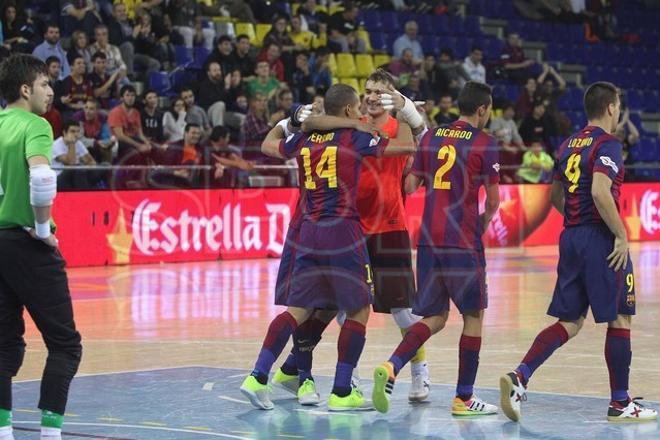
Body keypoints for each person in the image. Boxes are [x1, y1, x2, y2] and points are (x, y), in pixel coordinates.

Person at [239, 83, 415, 411]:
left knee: (298, 309)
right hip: (342, 231)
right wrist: (405, 112)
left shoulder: (304, 138)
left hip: (306, 232)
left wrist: (288, 122)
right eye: (357, 109)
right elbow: (407, 145)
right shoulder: (357, 137)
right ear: (349, 110)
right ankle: (342, 392)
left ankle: (257, 376)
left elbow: (267, 145)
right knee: (360, 308)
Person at [499, 82, 658, 423]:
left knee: (570, 321)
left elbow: (556, 195)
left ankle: (520, 376)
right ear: (612, 108)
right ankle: (620, 403)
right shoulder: (609, 144)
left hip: (571, 236)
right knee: (620, 317)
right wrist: (620, 233)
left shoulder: (569, 144)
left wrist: (576, 219)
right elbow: (601, 192)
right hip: (599, 238)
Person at [291, 68, 432, 402]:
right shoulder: (347, 126)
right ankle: (348, 379)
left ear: (393, 98)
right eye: (368, 90)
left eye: (380, 92)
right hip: (351, 230)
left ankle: (419, 375)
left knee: (404, 312)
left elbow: (423, 144)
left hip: (391, 228)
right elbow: (309, 122)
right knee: (346, 308)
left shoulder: (400, 131)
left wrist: (411, 114)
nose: (371, 97)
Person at [372, 81, 501, 417]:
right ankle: (464, 397)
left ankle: (393, 364)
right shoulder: (485, 143)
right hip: (463, 241)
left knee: (435, 317)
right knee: (473, 317)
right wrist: (482, 225)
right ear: (483, 109)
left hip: (429, 240)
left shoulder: (431, 137)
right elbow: (494, 202)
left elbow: (410, 185)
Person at [0, 53, 82, 440]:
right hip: (28, 245)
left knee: (3, 347)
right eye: (46, 84)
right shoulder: (35, 125)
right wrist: (41, 227)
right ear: (25, 88)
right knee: (66, 345)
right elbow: (42, 177)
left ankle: (3, 432)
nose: (52, 91)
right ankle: (50, 435)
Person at [51, 120, 99, 190]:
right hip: (59, 178)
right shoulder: (55, 145)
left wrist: (86, 166)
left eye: (78, 131)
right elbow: (70, 163)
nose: (76, 134)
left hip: (77, 175)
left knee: (105, 165)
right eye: (73, 131)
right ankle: (85, 197)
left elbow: (91, 162)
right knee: (78, 169)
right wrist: (72, 143)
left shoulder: (78, 143)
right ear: (64, 133)